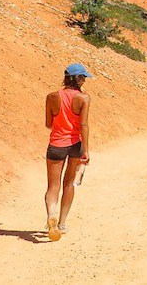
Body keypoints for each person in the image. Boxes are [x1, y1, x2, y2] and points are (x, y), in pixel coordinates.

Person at [44, 63, 93, 241]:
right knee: (69, 183)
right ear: (78, 78)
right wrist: (86, 150)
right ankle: (62, 223)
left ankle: (51, 215)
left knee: (53, 186)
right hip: (75, 145)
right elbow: (84, 125)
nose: (85, 80)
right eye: (84, 77)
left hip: (56, 144)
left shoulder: (52, 97)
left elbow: (48, 124)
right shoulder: (84, 98)